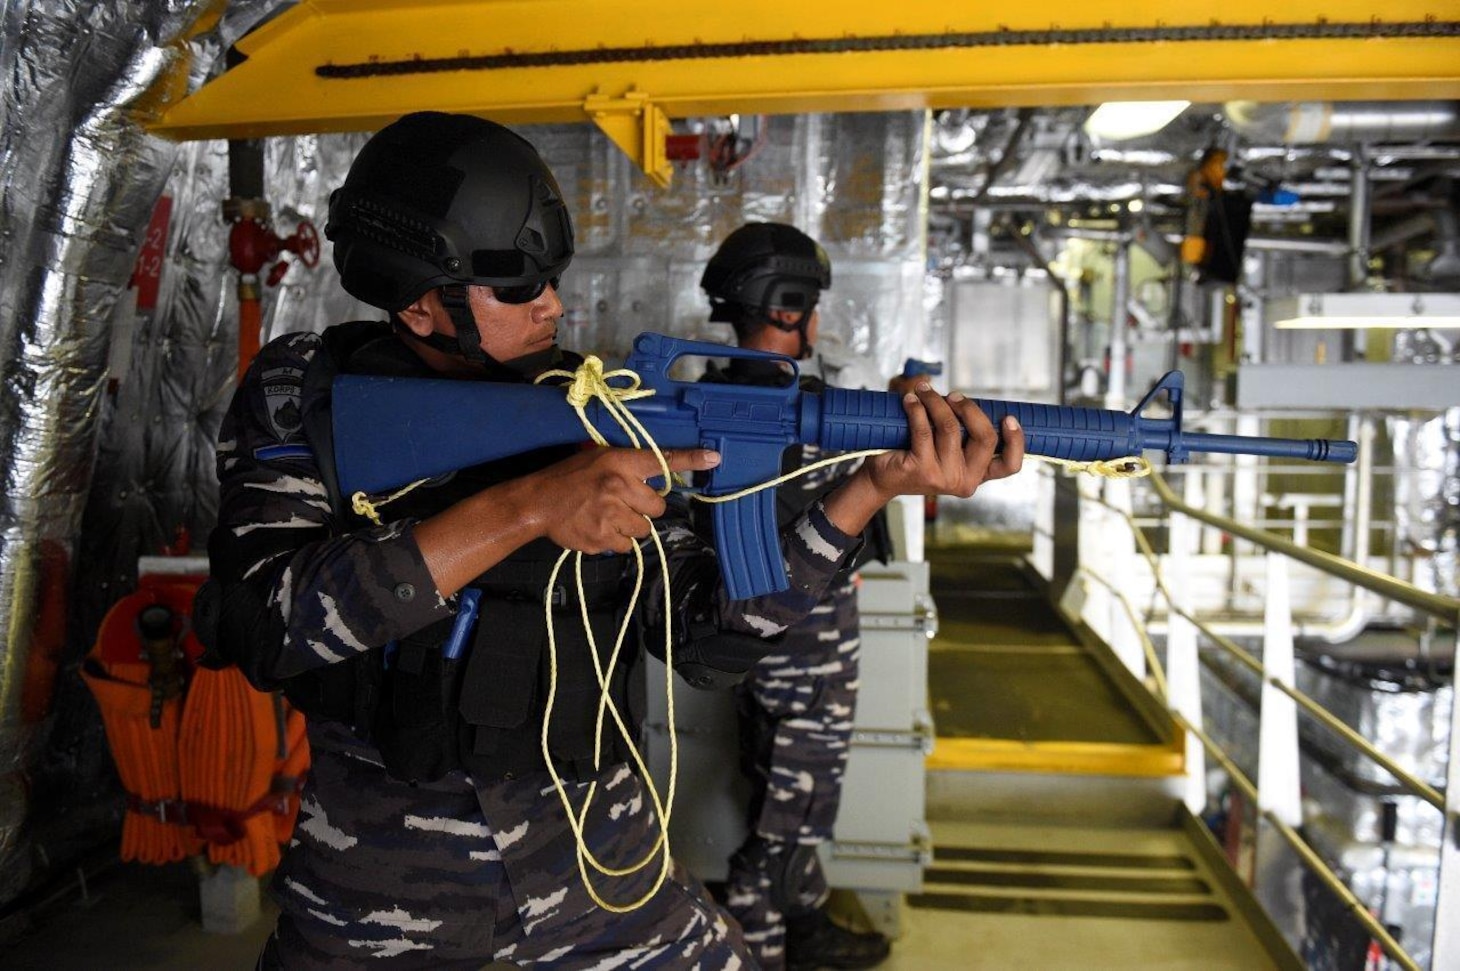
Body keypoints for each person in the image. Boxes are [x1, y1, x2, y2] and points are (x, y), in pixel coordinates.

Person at [203, 112, 1025, 969]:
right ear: (418, 301)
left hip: (595, 859)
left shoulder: (591, 405)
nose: (554, 305)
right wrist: (528, 508)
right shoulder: (314, 393)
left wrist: (871, 488)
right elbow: (267, 625)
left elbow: (712, 635)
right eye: (518, 288)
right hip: (383, 882)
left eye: (551, 279)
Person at [697, 223, 890, 971]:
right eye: (810, 305)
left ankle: (802, 927)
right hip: (801, 665)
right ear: (786, 307)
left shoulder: (737, 402)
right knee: (782, 833)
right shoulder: (785, 417)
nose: (816, 323)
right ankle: (763, 955)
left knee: (793, 810)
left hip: (790, 662)